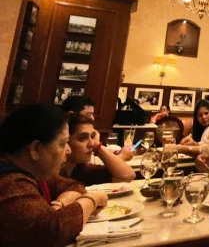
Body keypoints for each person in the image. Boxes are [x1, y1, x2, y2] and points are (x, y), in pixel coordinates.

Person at [0, 104, 108, 247]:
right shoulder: (9, 183)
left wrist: (59, 205)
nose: (68, 150)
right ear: (35, 149)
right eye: (63, 144)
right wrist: (92, 200)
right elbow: (52, 231)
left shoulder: (36, 174)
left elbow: (74, 186)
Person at [61, 114, 135, 186]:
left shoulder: (81, 169)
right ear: (66, 141)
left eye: (92, 136)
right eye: (83, 138)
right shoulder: (56, 173)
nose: (92, 144)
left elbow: (127, 176)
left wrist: (98, 146)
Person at [63, 96, 133, 161]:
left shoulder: (92, 131)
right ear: (71, 115)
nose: (92, 118)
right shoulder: (65, 134)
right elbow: (92, 162)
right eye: (88, 114)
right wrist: (122, 156)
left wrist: (115, 152)